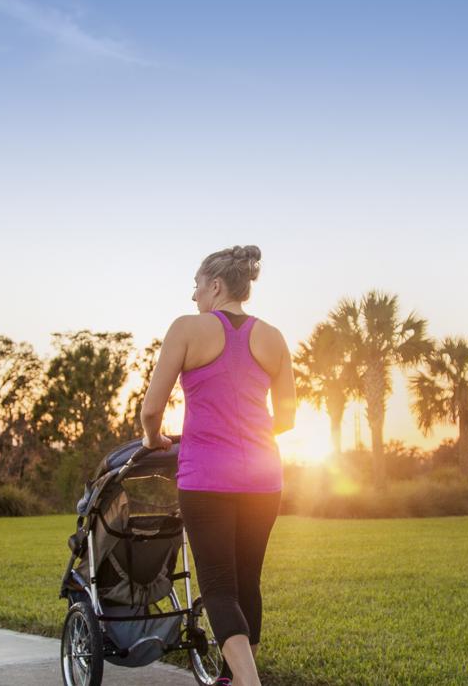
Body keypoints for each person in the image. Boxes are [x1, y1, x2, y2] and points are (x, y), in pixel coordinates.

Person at [139, 245, 295, 686]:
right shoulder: (274, 337)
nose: (193, 297)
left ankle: (249, 683)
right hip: (265, 480)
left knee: (220, 589)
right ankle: (232, 678)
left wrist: (155, 440)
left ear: (215, 285)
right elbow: (287, 418)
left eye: (196, 285)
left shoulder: (187, 329)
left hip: (207, 479)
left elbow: (152, 410)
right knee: (248, 585)